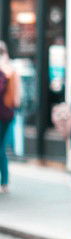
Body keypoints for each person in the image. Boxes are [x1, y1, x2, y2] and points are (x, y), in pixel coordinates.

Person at [0, 41, 21, 193]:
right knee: (2, 148)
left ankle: (5, 182)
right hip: (9, 114)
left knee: (1, 149)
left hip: (3, 114)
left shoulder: (4, 72)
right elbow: (17, 99)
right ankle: (5, 182)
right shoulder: (12, 70)